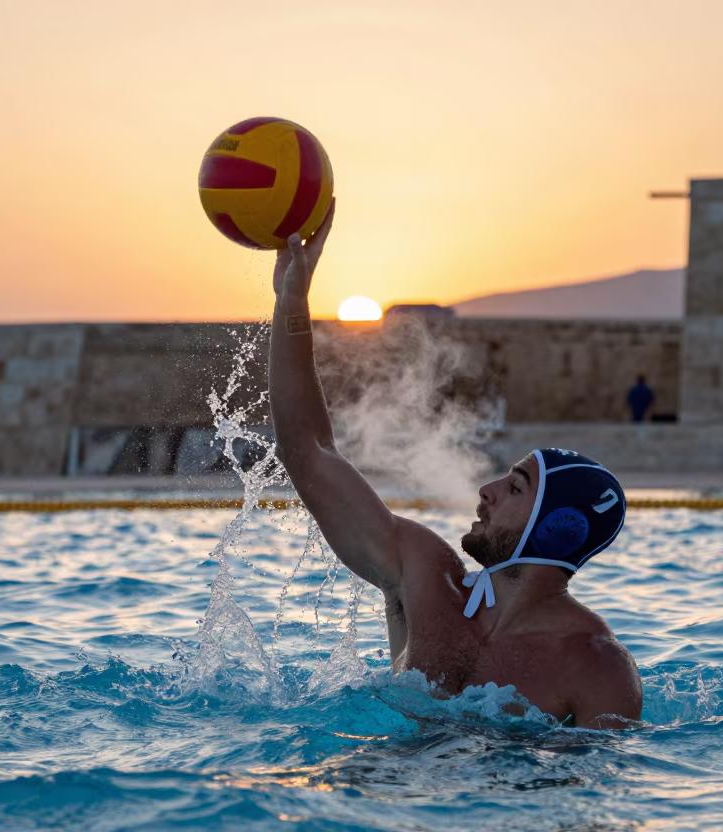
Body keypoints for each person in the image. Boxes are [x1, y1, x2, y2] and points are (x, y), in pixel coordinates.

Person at [269, 202, 642, 728]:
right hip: (389, 799)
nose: (487, 490)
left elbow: (595, 790)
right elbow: (308, 451)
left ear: (560, 529)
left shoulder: (596, 666)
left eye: (516, 488)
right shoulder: (424, 575)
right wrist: (292, 303)